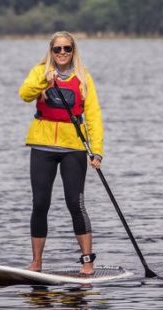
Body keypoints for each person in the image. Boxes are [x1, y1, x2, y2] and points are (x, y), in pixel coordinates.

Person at [17, 31, 104, 275]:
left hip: (73, 149)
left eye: (67, 48)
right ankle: (36, 263)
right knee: (40, 203)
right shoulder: (40, 71)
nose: (62, 53)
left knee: (75, 204)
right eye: (58, 49)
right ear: (51, 51)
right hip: (42, 147)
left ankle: (87, 261)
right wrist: (45, 80)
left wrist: (96, 151)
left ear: (73, 51)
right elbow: (24, 94)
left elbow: (94, 117)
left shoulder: (83, 78)